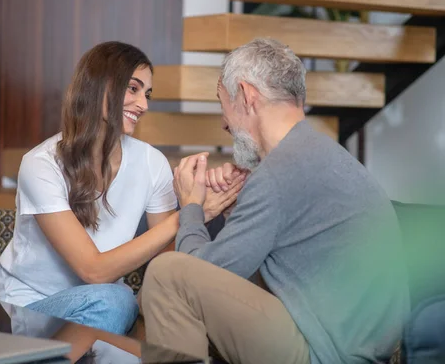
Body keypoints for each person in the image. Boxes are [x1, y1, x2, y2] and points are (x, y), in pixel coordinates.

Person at [141, 38, 410, 363]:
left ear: (246, 95)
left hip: (328, 353)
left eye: (221, 103)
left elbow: (198, 271)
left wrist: (191, 207)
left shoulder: (280, 173)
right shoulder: (316, 153)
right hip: (355, 344)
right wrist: (235, 209)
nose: (223, 122)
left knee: (167, 273)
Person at [0, 41, 245, 335]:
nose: (144, 105)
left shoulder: (152, 162)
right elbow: (93, 271)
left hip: (106, 308)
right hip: (35, 307)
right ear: (99, 86)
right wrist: (190, 213)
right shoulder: (41, 165)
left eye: (147, 94)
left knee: (141, 314)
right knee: (116, 301)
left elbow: (165, 258)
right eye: (133, 89)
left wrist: (211, 209)